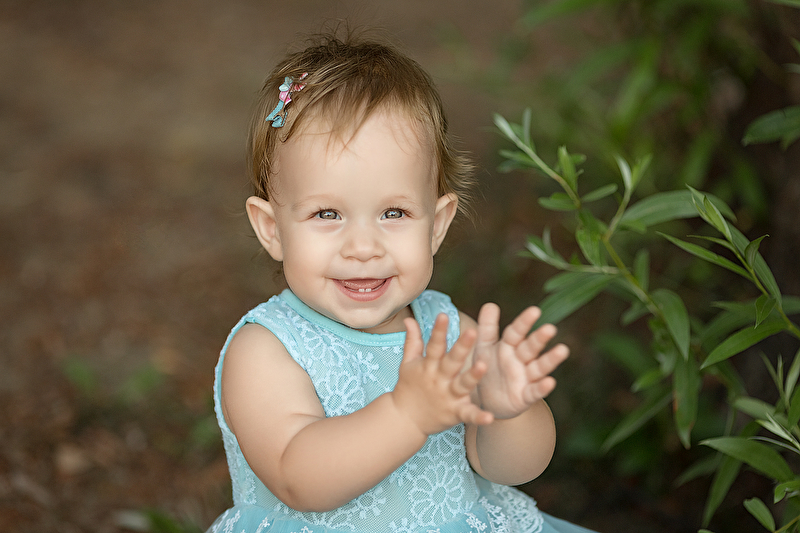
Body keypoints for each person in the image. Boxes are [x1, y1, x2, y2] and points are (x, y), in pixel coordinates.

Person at [208, 31, 596, 533]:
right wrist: (406, 415)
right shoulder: (265, 350)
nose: (363, 246)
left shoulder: (450, 332)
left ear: (436, 225)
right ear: (272, 229)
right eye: (327, 214)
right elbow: (297, 477)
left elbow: (512, 470)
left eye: (394, 212)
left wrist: (508, 412)